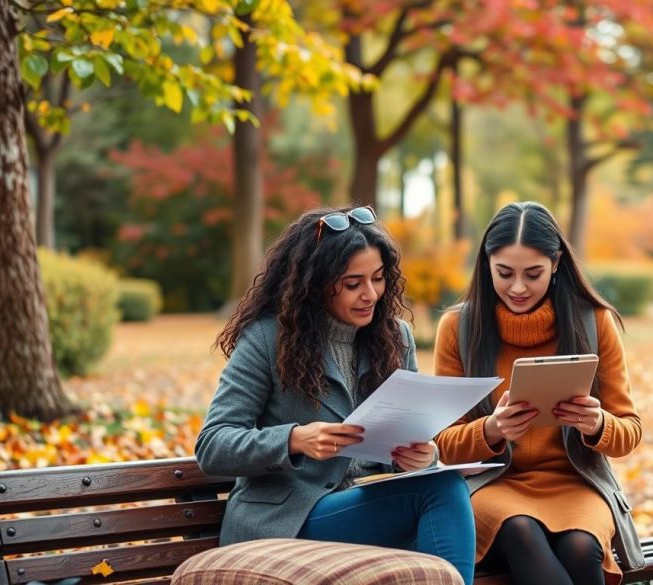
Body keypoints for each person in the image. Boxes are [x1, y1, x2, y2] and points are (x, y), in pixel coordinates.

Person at [195, 207, 475, 583]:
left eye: (378, 279)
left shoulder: (395, 338)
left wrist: (423, 457)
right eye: (352, 283)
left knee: (439, 481)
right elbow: (213, 445)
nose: (371, 294)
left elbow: (409, 434)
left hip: (364, 507)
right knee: (441, 491)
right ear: (316, 282)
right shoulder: (267, 339)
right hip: (287, 520)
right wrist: (294, 439)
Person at [433, 201, 643, 585]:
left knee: (581, 548)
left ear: (557, 262)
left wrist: (597, 424)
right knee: (520, 530)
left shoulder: (594, 322)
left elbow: (629, 433)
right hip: (493, 487)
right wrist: (491, 430)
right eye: (504, 273)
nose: (517, 287)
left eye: (533, 274)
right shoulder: (459, 327)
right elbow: (441, 445)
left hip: (577, 483)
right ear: (486, 263)